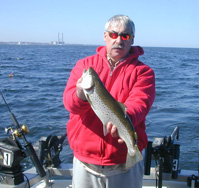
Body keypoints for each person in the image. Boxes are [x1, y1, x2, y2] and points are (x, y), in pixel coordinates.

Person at [63, 15, 156, 188]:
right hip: (85, 163)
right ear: (105, 36)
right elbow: (70, 104)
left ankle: (133, 154)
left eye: (125, 36)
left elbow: (139, 104)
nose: (119, 40)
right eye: (113, 35)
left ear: (132, 39)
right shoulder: (85, 65)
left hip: (123, 167)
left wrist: (123, 120)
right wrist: (81, 95)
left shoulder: (144, 72)